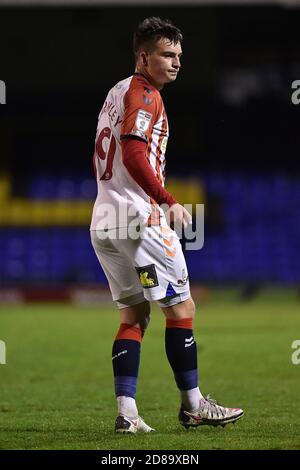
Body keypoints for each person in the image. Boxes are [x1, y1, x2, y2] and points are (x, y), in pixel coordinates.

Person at [90, 17, 243, 433]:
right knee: (182, 308)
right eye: (166, 54)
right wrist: (168, 200)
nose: (176, 62)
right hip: (139, 218)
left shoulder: (117, 91)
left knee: (133, 317)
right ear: (144, 56)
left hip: (104, 219)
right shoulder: (145, 95)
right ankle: (194, 405)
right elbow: (135, 152)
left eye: (179, 55)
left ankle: (127, 412)